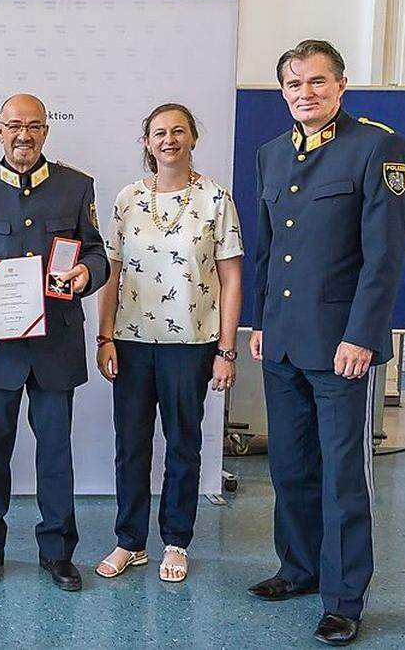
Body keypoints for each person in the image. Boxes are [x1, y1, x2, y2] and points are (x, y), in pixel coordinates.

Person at [248, 39, 405, 646]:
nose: (305, 94)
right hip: (285, 341)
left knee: (344, 475)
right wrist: (262, 323)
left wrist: (363, 336)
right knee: (290, 467)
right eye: (294, 85)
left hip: (343, 346)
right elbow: (268, 248)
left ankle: (343, 597)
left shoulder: (377, 147)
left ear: (341, 85)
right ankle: (298, 568)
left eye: (317, 82)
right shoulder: (270, 154)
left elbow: (384, 256)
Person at [0, 93, 109, 591]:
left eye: (34, 126)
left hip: (55, 347)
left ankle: (59, 552)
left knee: (56, 452)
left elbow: (100, 254)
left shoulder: (76, 186)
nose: (24, 135)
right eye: (14, 125)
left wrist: (88, 272)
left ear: (46, 131)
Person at [94, 103, 243, 583]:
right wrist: (104, 336)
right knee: (131, 444)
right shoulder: (127, 199)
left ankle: (176, 541)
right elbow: (111, 273)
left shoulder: (216, 199)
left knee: (184, 443)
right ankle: (129, 542)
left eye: (178, 131)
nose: (169, 139)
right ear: (146, 142)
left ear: (193, 138)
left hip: (193, 343)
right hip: (132, 341)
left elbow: (231, 278)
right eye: (159, 132)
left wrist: (225, 350)